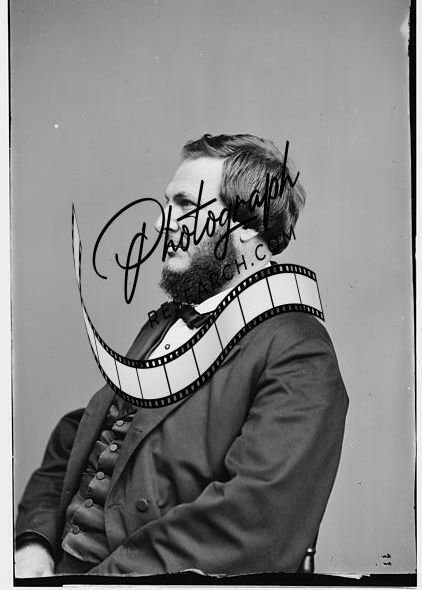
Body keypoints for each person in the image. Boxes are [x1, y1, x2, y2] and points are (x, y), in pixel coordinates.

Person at [15, 133, 349, 578]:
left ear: (247, 225)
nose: (160, 223)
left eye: (185, 204)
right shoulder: (170, 321)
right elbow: (88, 433)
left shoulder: (298, 351)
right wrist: (34, 541)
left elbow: (250, 521)